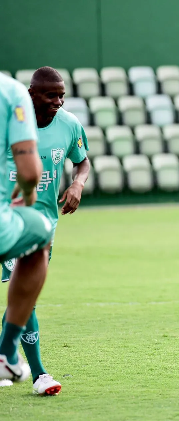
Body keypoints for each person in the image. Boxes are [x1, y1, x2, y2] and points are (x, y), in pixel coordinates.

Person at [1, 67, 90, 395]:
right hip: (9, 220)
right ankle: (39, 374)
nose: (58, 100)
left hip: (42, 225)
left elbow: (82, 161)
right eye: (50, 94)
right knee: (25, 297)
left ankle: (5, 355)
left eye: (61, 94)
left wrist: (77, 183)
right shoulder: (12, 117)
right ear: (30, 92)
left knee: (22, 297)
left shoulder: (68, 123)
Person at [0, 73, 54, 390]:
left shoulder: (69, 123)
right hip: (5, 220)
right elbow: (30, 173)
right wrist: (29, 196)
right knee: (40, 235)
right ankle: (7, 350)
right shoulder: (11, 92)